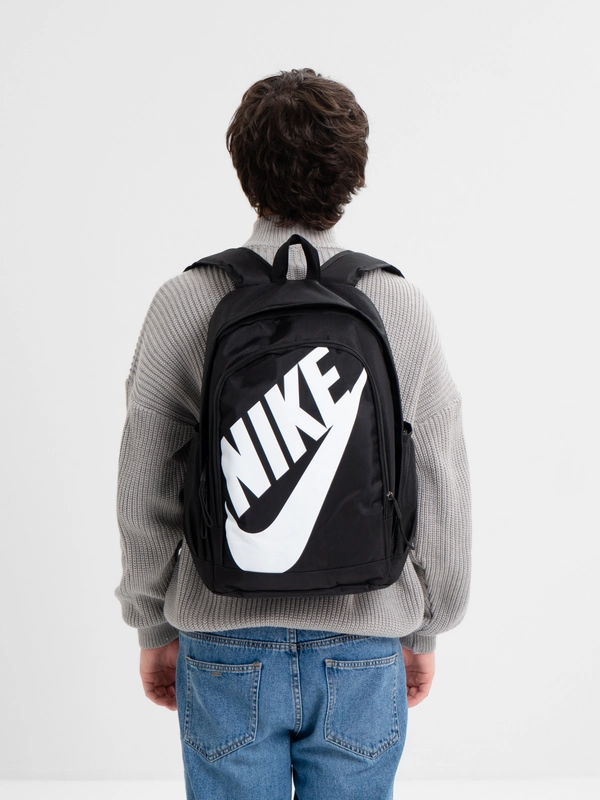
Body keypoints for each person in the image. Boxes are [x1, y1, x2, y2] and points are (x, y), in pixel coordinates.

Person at [115, 68, 472, 800]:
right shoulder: (398, 304)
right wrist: (427, 625)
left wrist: (152, 622)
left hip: (222, 640)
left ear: (244, 171)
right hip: (363, 641)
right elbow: (441, 478)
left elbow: (144, 480)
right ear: (353, 173)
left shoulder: (184, 301)